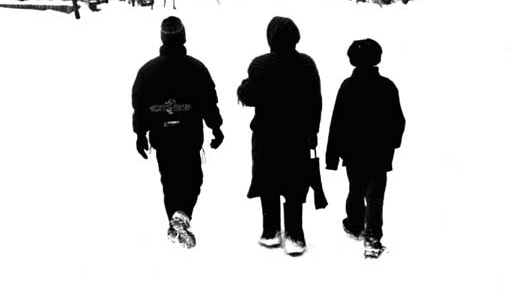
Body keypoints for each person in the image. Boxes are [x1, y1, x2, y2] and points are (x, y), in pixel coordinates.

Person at [132, 16, 224, 249]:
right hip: (189, 134)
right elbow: (209, 102)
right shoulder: (196, 68)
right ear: (183, 38)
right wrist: (216, 128)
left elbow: (139, 107)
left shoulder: (147, 71)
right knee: (193, 178)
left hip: (161, 136)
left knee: (169, 180)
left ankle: (175, 224)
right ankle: (181, 216)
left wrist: (140, 134)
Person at [237, 16, 322, 256]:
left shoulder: (260, 64)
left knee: (268, 181)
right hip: (297, 135)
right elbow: (315, 102)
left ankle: (271, 231)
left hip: (266, 135)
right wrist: (313, 132)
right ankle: (295, 235)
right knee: (295, 184)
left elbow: (248, 96)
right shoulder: (306, 64)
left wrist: (243, 86)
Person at [325, 38, 405, 258]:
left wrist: (332, 156)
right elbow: (398, 120)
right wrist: (393, 143)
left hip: (353, 153)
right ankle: (372, 238)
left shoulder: (348, 86)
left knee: (355, 189)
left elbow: (337, 123)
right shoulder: (387, 86)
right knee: (375, 196)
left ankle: (354, 224)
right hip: (380, 153)